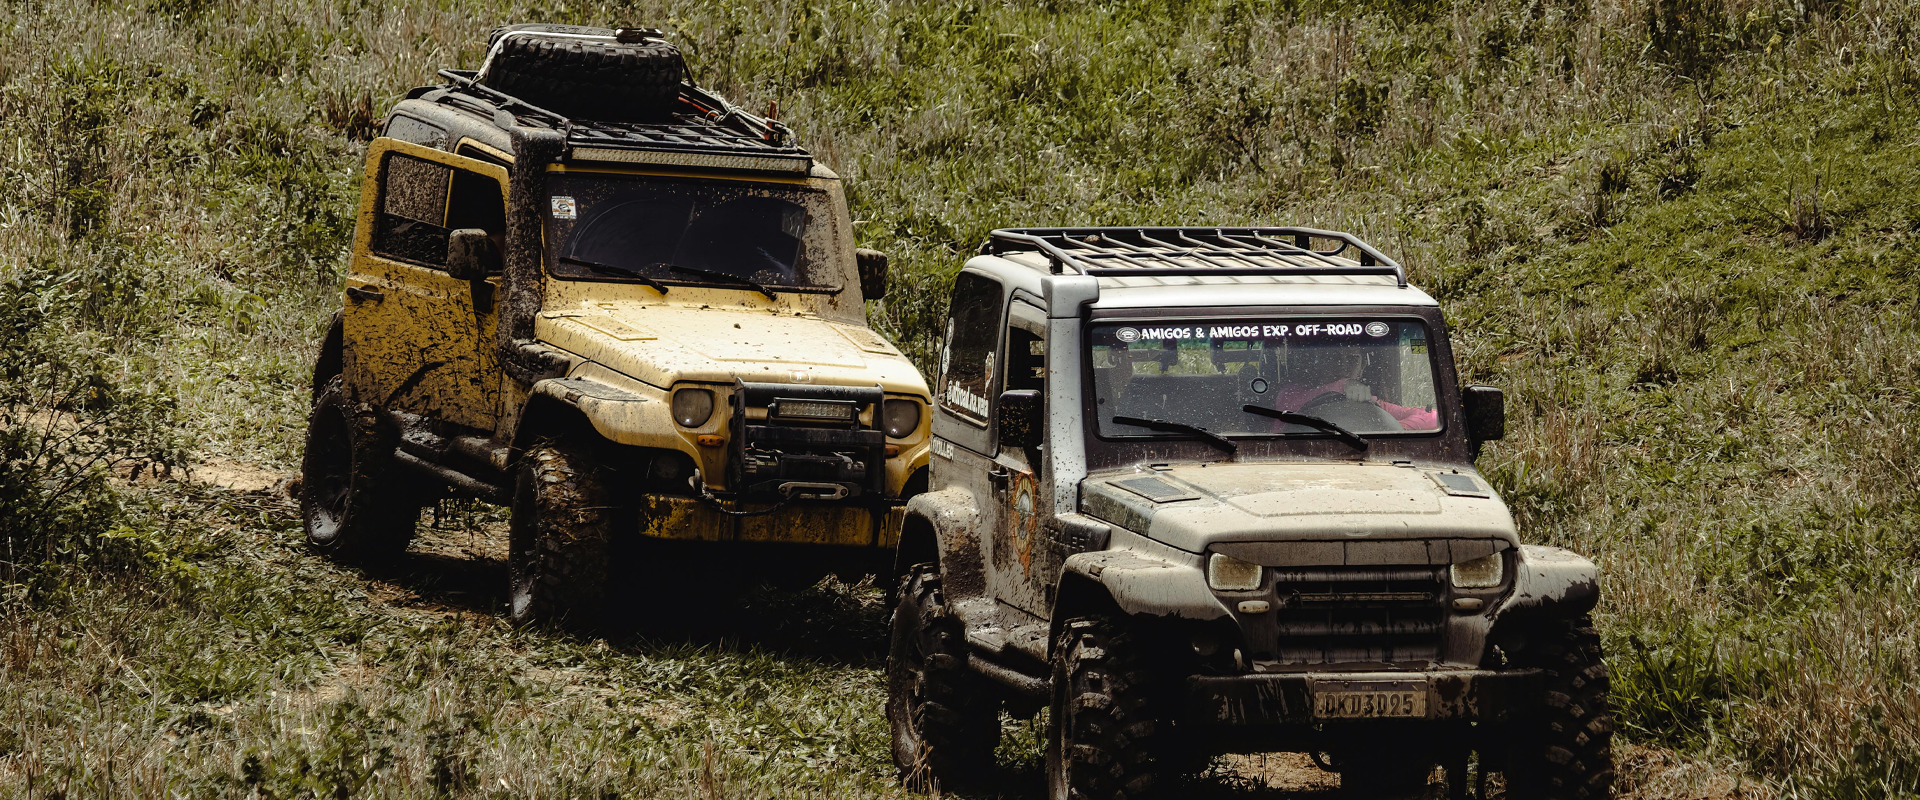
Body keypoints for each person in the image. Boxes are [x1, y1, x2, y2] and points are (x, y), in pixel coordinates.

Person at [1270, 344, 1437, 431]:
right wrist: (1343, 384)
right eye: (1334, 358)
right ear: (1319, 363)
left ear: (1362, 366)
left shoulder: (1370, 403)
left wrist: (1394, 428)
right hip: (1293, 459)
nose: (1343, 366)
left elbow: (1432, 417)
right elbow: (1288, 406)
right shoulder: (1290, 394)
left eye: (1352, 360)